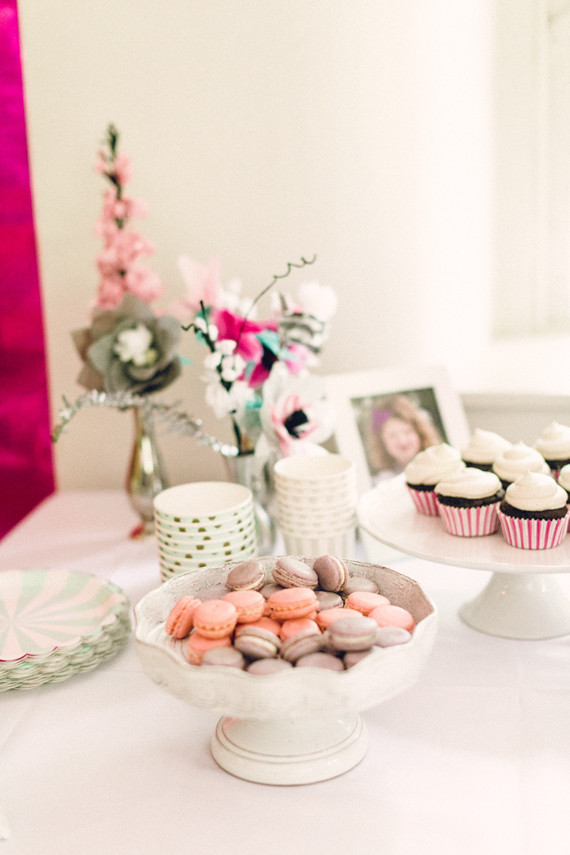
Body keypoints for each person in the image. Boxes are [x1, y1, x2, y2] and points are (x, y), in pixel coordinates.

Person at [366, 394, 442, 482]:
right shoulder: (383, 482)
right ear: (381, 441)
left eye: (407, 432)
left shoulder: (439, 468)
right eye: (392, 435)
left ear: (420, 433)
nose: (402, 441)